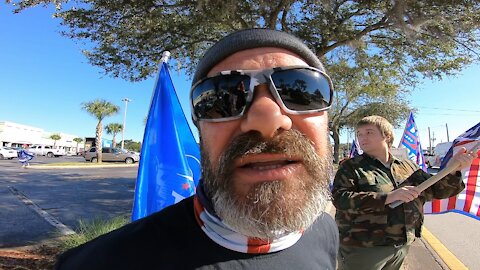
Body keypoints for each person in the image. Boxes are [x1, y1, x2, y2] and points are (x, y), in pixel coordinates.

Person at [55, 28, 339, 269]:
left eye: (300, 91)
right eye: (221, 97)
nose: (266, 120)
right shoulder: (99, 263)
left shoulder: (325, 231)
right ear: (200, 131)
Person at [332, 115, 477, 270]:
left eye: (369, 132)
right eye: (359, 134)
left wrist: (454, 169)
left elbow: (436, 191)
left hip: (401, 245)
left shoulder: (408, 167)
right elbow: (340, 199)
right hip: (364, 247)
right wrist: (387, 198)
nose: (362, 137)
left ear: (386, 136)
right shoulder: (351, 167)